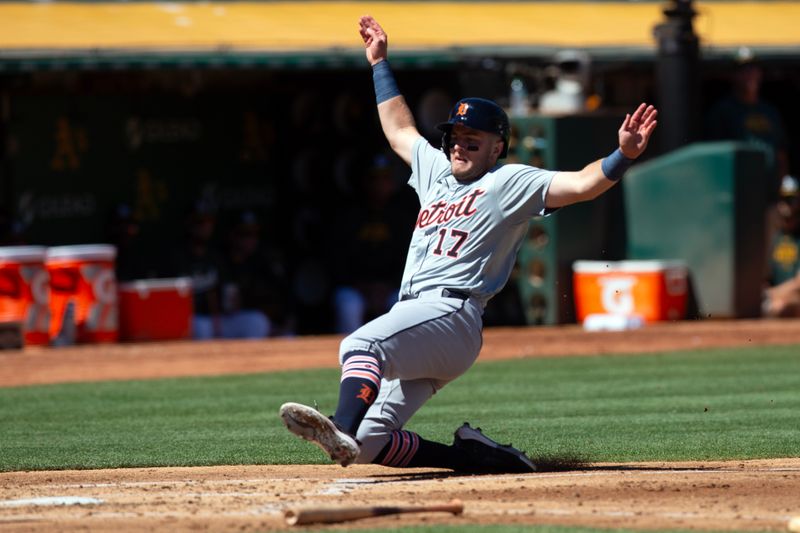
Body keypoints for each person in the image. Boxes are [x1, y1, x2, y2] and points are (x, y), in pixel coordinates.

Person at [279, 15, 658, 473]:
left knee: (361, 346)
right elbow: (400, 130)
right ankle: (470, 458)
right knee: (369, 441)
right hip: (418, 318)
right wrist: (379, 63)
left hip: (452, 315)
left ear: (497, 147)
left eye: (472, 140)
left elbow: (580, 184)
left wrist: (623, 156)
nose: (459, 146)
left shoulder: (509, 181)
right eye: (455, 138)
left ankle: (337, 425)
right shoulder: (437, 172)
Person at [706, 60, 788, 204]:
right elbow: (714, 158)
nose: (750, 76)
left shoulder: (769, 111)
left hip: (769, 194)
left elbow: (781, 153)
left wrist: (781, 187)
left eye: (753, 70)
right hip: (737, 194)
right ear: (734, 76)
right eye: (744, 71)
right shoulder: (723, 111)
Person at [763, 175, 800, 317]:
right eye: (784, 199)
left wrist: (767, 295)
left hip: (793, 299)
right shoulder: (777, 237)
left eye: (792, 199)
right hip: (776, 298)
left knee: (781, 307)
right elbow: (767, 278)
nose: (787, 205)